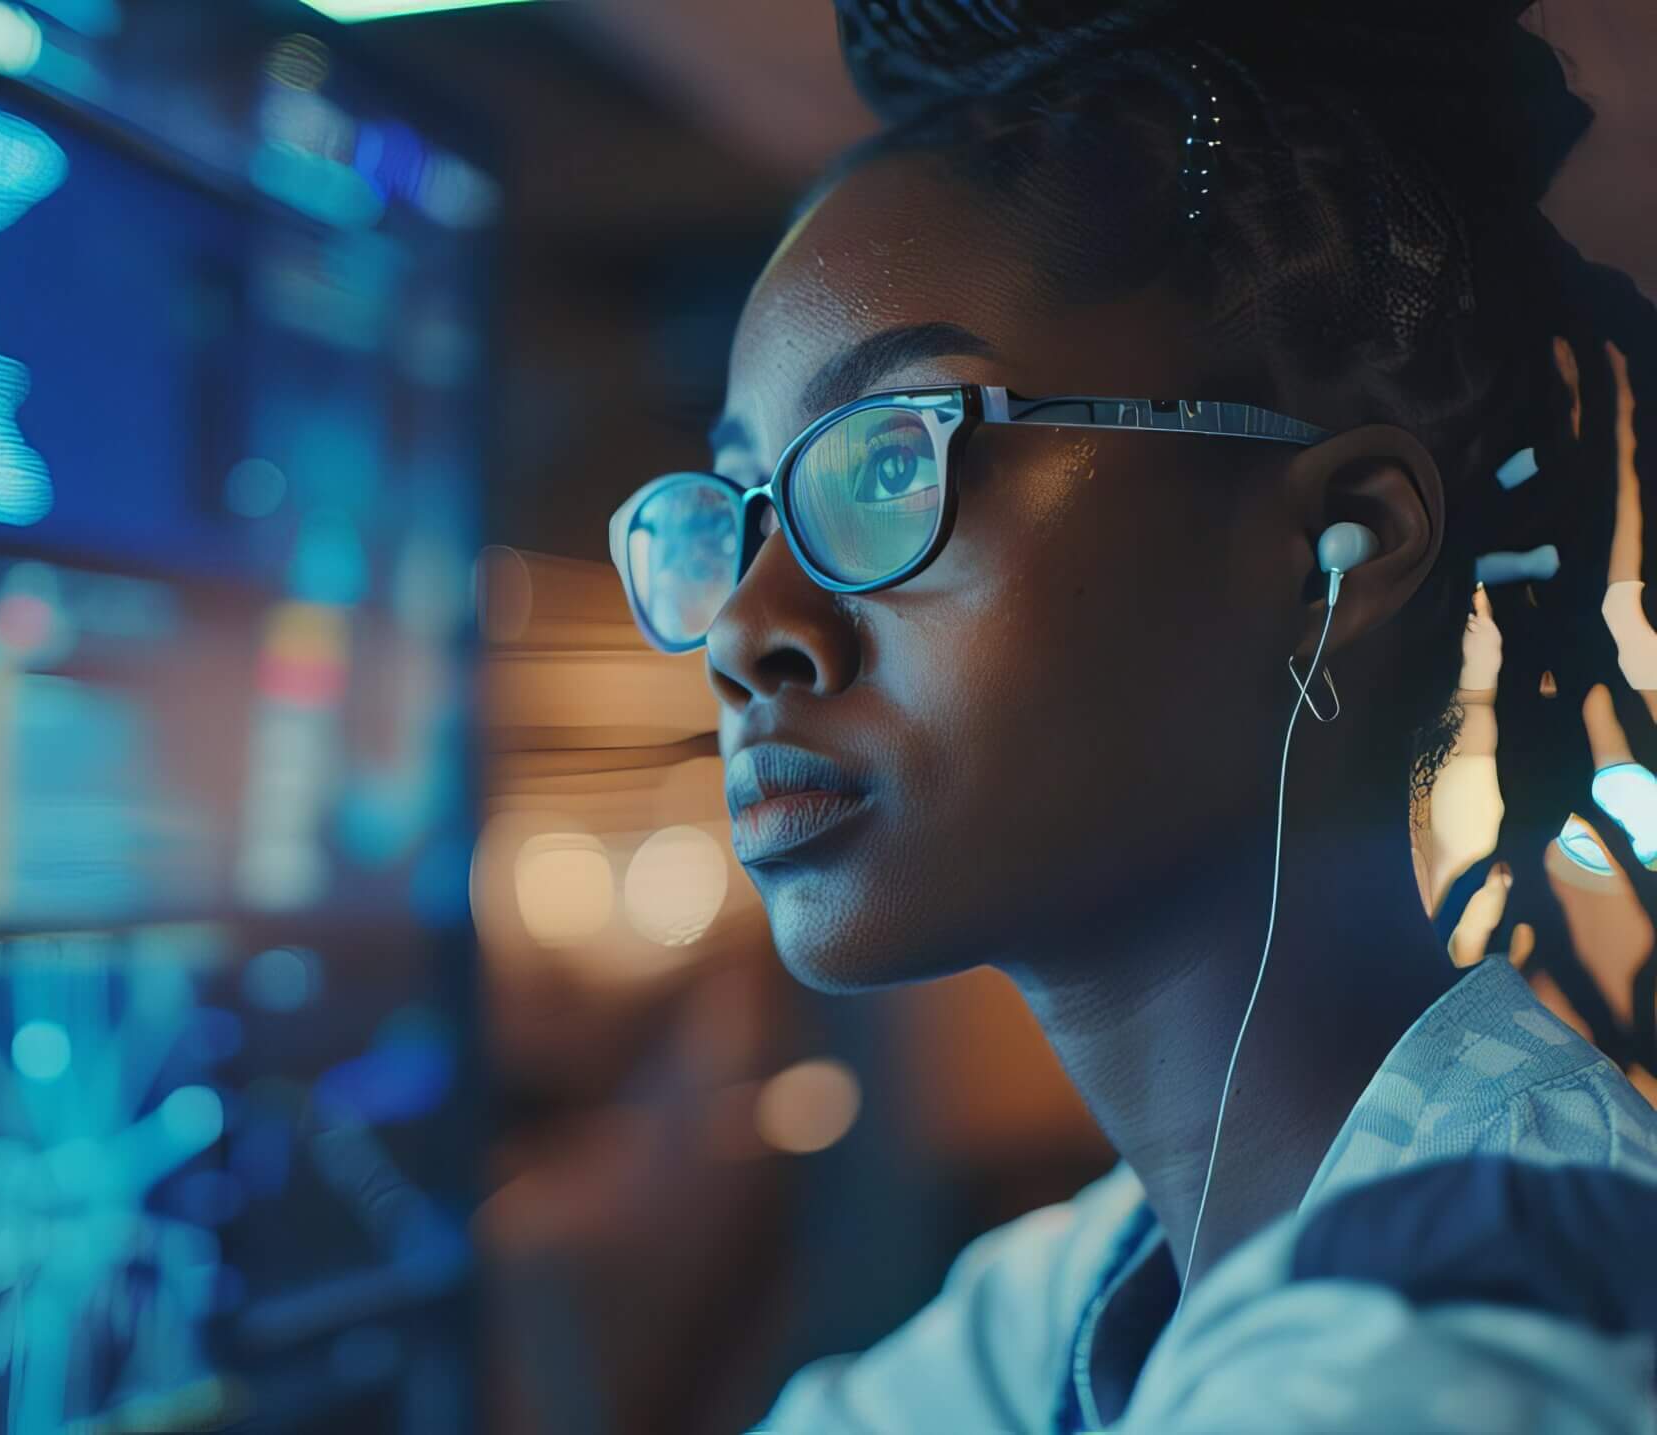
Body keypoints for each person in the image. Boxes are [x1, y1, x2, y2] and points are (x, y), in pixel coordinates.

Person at [605, 1, 1657, 1430]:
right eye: (733, 513)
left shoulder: (1469, 1339)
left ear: (1331, 548)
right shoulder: (1093, 1288)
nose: (744, 630)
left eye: (890, 462)